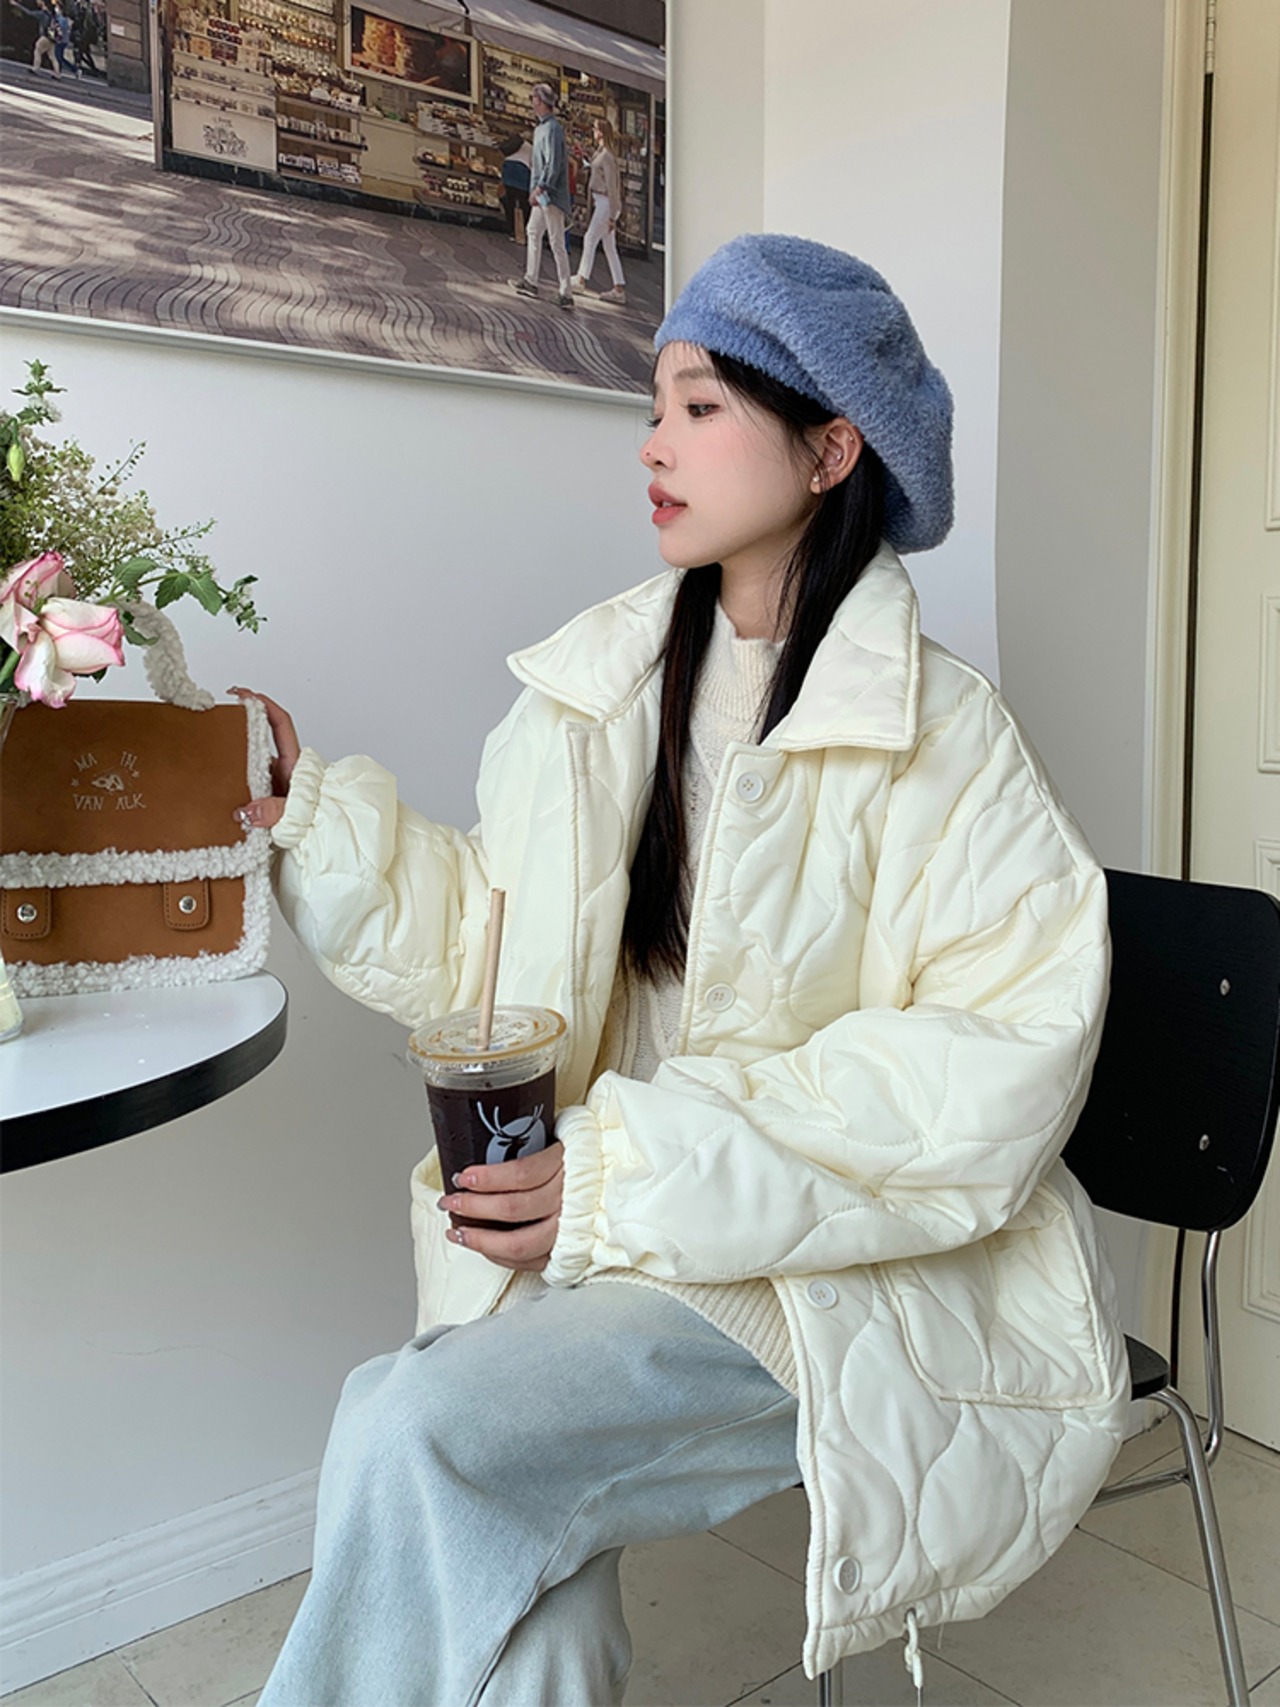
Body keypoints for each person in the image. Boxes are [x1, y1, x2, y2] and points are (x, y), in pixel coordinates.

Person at [235, 234, 1129, 1706]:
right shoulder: (599, 693)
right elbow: (494, 952)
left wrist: (619, 1175)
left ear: (830, 448)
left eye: (701, 407)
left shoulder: (947, 742)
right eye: (654, 407)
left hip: (834, 1278)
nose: (654, 444)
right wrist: (315, 821)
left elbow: (981, 1076)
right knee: (522, 1591)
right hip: (611, 1237)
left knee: (418, 1427)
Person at [514, 81, 573, 311]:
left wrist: (540, 188)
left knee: (556, 241)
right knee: (534, 231)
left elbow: (553, 163)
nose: (531, 102)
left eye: (533, 98)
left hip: (550, 194)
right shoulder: (544, 128)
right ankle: (531, 280)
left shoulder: (551, 129)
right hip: (544, 193)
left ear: (540, 101)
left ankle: (566, 292)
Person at [571, 117, 627, 304]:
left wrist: (612, 215)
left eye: (595, 129)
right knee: (609, 247)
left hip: (605, 203)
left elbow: (612, 186)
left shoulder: (607, 156)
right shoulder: (602, 153)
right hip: (603, 202)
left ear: (601, 132)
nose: (593, 131)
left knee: (590, 238)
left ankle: (581, 279)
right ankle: (618, 287)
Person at [497, 133, 532, 244]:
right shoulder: (531, 148)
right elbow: (533, 165)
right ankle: (522, 232)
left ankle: (511, 231)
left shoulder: (513, 146)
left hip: (509, 169)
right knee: (524, 205)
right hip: (522, 173)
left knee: (509, 203)